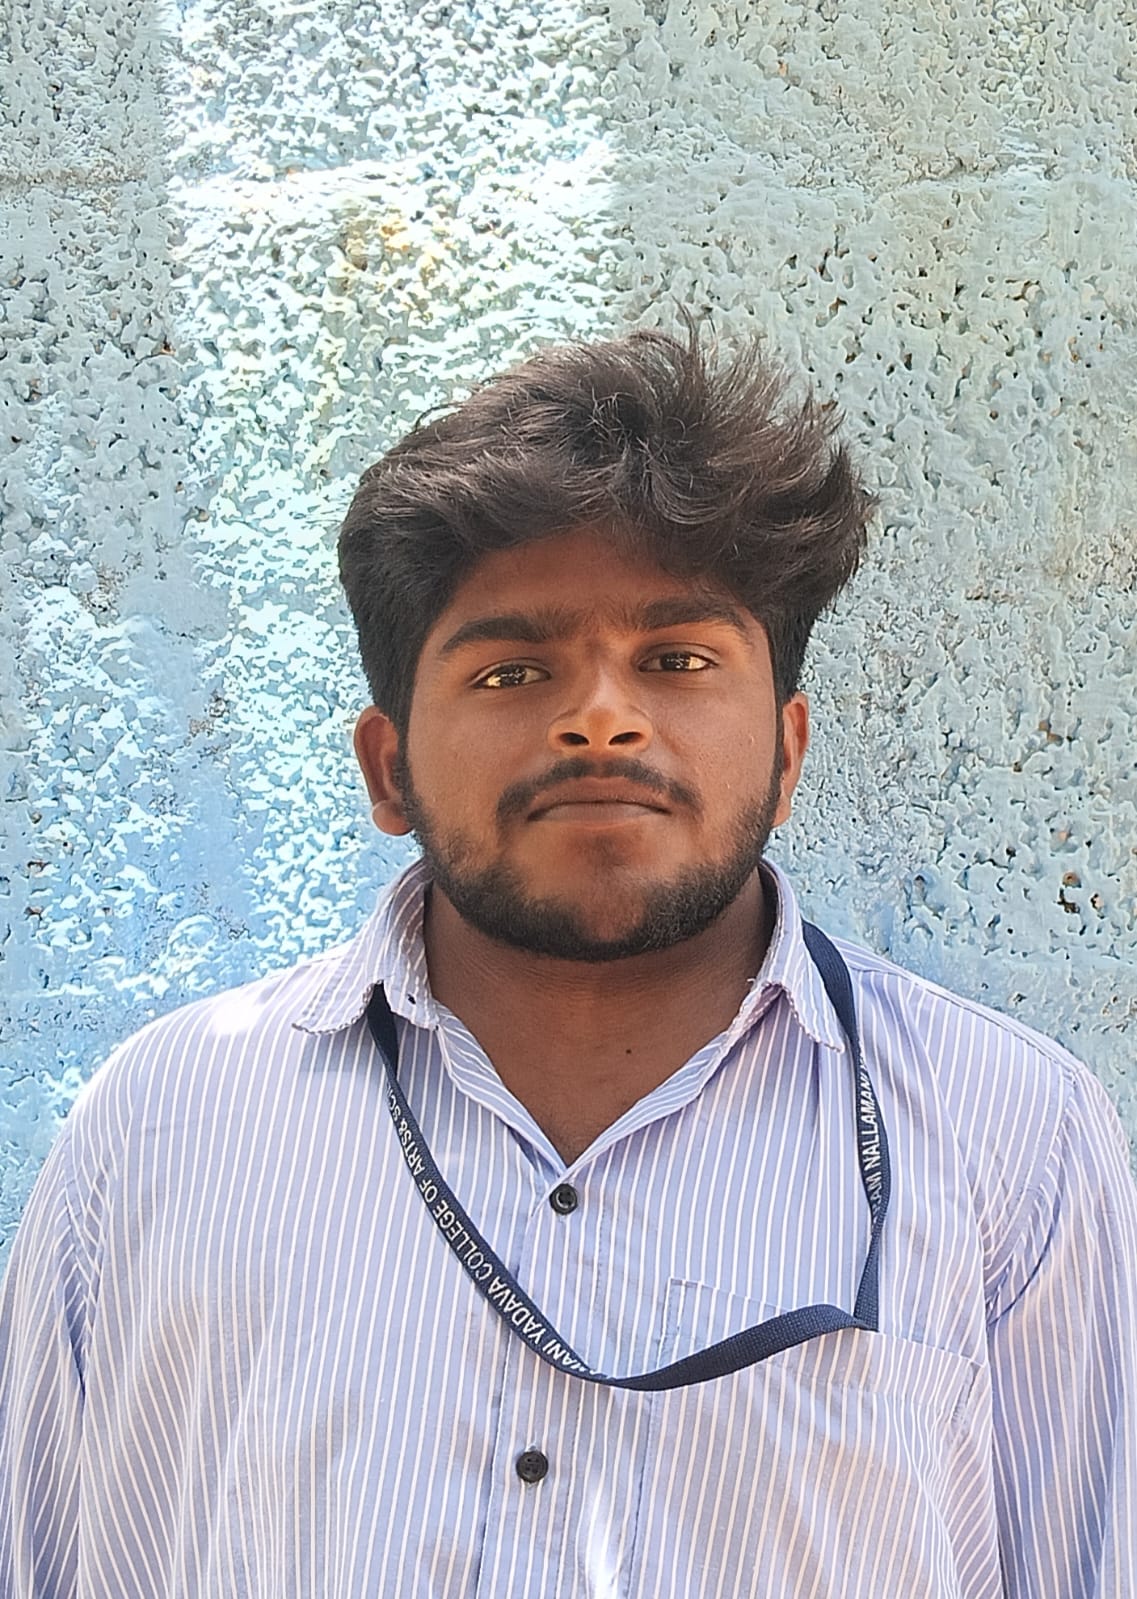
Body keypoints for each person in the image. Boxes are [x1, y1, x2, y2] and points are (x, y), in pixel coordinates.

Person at [1, 325, 1134, 1599]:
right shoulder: (159, 1128)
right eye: (513, 669)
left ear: (787, 753)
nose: (601, 716)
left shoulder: (1012, 1140)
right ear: (388, 767)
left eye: (678, 659)